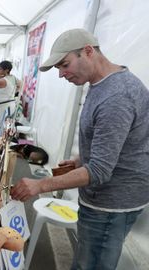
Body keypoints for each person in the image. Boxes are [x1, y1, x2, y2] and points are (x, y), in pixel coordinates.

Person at [10, 29, 149, 270]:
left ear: (88, 51)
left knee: (91, 264)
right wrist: (80, 158)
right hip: (109, 198)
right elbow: (118, 143)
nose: (62, 74)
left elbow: (99, 171)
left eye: (65, 65)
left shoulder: (116, 96)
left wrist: (39, 185)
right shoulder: (103, 83)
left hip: (111, 203)